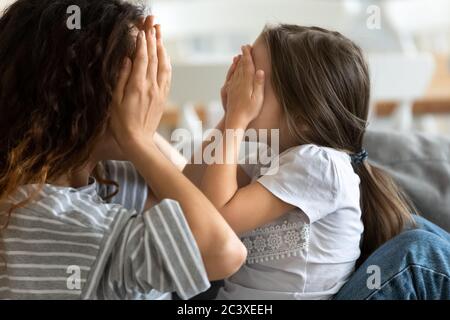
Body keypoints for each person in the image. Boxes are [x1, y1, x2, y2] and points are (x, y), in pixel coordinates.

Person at [0, 0, 247, 299]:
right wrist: (137, 138)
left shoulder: (95, 176)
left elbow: (193, 195)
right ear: (84, 95)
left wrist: (232, 117)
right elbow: (220, 250)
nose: (148, 95)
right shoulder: (44, 217)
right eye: (136, 83)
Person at [192, 25, 418, 299]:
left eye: (254, 82)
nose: (243, 89)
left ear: (303, 120)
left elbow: (216, 222)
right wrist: (229, 115)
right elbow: (192, 188)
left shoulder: (320, 166)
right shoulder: (272, 158)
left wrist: (236, 120)